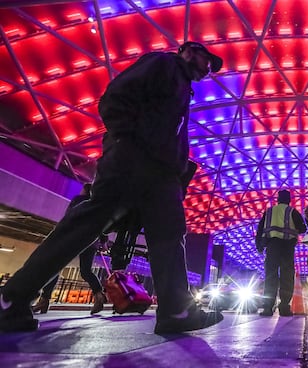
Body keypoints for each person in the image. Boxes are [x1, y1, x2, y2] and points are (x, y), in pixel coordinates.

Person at [0, 41, 225, 334]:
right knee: (86, 225)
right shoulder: (163, 64)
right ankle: (13, 297)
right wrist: (128, 142)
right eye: (208, 61)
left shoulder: (181, 85)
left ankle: (176, 311)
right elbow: (114, 99)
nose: (209, 70)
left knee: (169, 233)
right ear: (190, 51)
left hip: (160, 171)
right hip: (134, 161)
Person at [31, 184, 107, 315]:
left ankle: (44, 299)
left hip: (75, 238)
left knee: (55, 267)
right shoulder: (97, 203)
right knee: (86, 271)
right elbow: (102, 224)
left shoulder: (78, 200)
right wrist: (104, 241)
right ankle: (99, 294)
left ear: (85, 190)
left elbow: (70, 217)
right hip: (91, 241)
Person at [255, 190, 307, 317]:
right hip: (287, 247)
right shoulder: (292, 211)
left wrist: (259, 245)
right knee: (287, 276)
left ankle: (267, 308)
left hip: (272, 246)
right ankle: (284, 307)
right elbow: (303, 229)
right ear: (289, 200)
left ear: (277, 199)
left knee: (270, 276)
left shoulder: (269, 211)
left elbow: (260, 229)